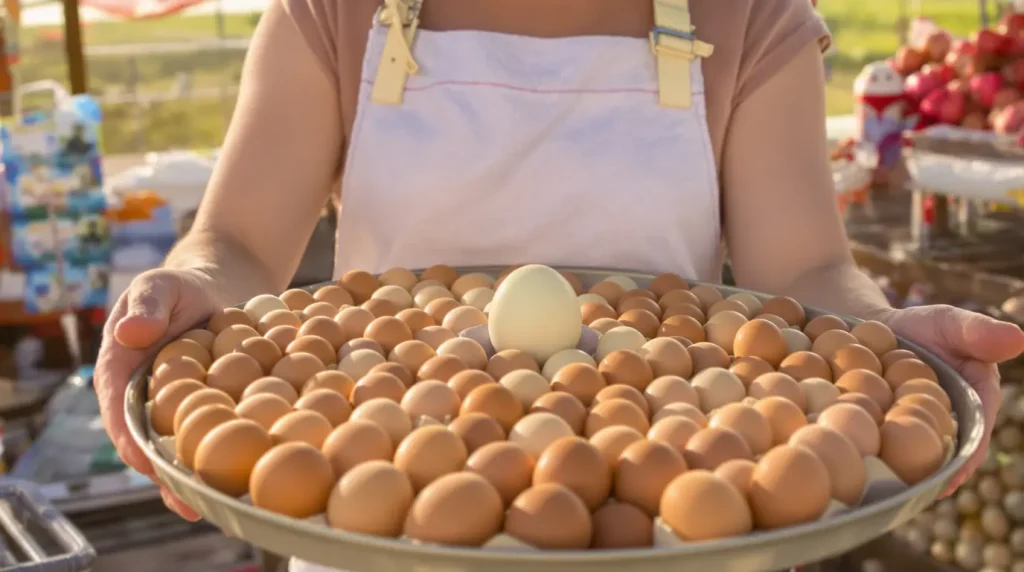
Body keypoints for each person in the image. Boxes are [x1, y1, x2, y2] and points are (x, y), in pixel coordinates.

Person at [96, 0, 1024, 567]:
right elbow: (241, 243)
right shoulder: (339, 9)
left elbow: (807, 276)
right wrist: (195, 287)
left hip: (677, 513)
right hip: (390, 532)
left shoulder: (746, 13)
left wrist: (880, 339)